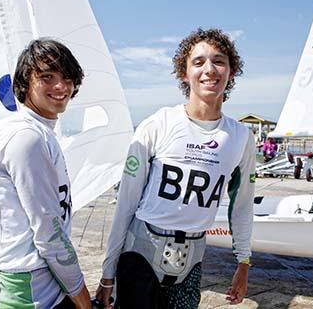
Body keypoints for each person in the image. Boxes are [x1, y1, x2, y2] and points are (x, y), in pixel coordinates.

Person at [96, 28, 255, 309]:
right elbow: (126, 203)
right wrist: (108, 273)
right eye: (198, 62)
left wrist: (243, 261)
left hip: (191, 262)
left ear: (231, 71)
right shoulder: (158, 124)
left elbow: (241, 205)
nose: (209, 69)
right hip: (141, 255)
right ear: (184, 73)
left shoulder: (241, 137)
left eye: (219, 61)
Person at [0, 38, 91, 309]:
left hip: (10, 281)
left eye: (67, 77)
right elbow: (50, 235)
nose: (61, 86)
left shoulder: (11, 129)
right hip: (28, 293)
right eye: (47, 77)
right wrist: (83, 299)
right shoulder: (28, 137)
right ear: (25, 82)